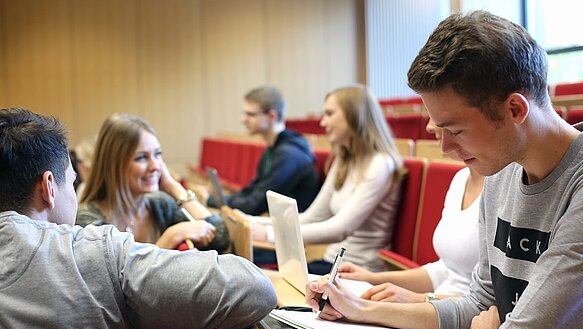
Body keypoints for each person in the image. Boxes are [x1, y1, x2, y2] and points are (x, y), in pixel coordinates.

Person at [306, 11, 583, 329]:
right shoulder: (502, 171)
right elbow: (477, 306)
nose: (448, 149)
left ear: (515, 110)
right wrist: (362, 310)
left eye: (454, 131)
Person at [0, 108, 277, 329]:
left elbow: (220, 233)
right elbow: (256, 288)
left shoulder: (150, 209)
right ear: (49, 187)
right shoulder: (97, 250)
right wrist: (181, 309)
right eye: (71, 183)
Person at [255, 85, 403, 273]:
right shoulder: (344, 159)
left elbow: (341, 228)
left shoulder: (381, 164)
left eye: (329, 114)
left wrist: (269, 234)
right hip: (330, 263)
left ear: (354, 116)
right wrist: (254, 222)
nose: (323, 122)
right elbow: (313, 217)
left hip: (357, 271)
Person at [339, 118, 484, 303]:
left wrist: (418, 300)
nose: (429, 126)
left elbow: (488, 303)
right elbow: (447, 271)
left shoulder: (502, 188)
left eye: (435, 116)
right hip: (438, 310)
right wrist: (371, 279)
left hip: (456, 319)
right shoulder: (460, 178)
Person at [77, 113, 229, 252]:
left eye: (157, 155)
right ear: (113, 166)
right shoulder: (87, 219)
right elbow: (118, 280)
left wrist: (173, 186)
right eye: (142, 157)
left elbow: (220, 237)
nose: (155, 166)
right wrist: (171, 237)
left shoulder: (159, 204)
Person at [207, 85, 319, 215]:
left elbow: (255, 205)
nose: (243, 120)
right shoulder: (273, 149)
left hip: (294, 229)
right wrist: (215, 199)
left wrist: (211, 200)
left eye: (250, 114)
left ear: (272, 116)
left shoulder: (289, 155)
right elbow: (250, 191)